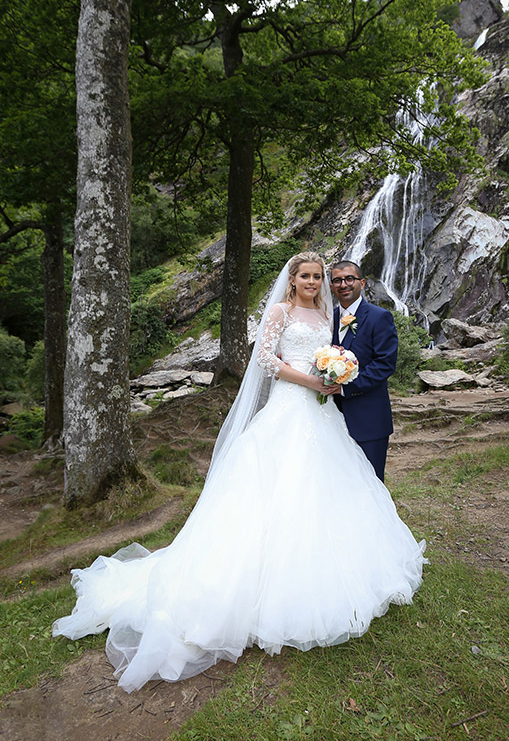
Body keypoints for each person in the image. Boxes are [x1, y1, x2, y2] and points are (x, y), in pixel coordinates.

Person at [53, 252, 426, 693]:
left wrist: (334, 377)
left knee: (325, 492)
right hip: (290, 406)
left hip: (324, 417)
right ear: (292, 280)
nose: (313, 281)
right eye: (306, 276)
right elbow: (266, 359)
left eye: (317, 276)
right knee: (270, 493)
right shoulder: (278, 311)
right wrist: (313, 381)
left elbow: (345, 357)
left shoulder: (329, 313)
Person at [330, 260, 398, 482]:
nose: (344, 284)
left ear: (362, 283)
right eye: (337, 280)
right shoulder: (326, 318)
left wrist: (344, 388)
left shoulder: (380, 317)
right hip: (329, 419)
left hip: (369, 419)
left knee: (370, 483)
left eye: (349, 279)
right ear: (331, 286)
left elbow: (384, 364)